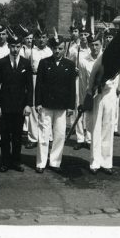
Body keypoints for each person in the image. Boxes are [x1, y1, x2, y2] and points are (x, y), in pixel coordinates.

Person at [34, 36, 76, 173]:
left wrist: (71, 105)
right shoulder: (44, 63)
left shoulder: (69, 65)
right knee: (44, 134)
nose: (57, 51)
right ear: (51, 48)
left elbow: (71, 87)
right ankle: (41, 162)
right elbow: (39, 84)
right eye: (55, 48)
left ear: (64, 50)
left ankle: (55, 162)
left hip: (62, 105)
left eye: (60, 49)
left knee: (59, 134)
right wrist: (38, 102)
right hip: (46, 104)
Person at [0, 32, 33, 172]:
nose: (15, 50)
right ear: (9, 46)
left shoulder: (26, 63)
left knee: (17, 136)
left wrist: (28, 104)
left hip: (20, 106)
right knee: (4, 135)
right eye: (12, 47)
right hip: (4, 105)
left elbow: (29, 87)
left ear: (21, 47)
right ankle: (5, 162)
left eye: (18, 47)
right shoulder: (1, 63)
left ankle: (16, 161)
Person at [83, 37, 117, 174]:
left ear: (101, 45)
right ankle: (95, 162)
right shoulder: (86, 60)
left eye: (97, 45)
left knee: (108, 127)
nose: (94, 48)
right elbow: (86, 80)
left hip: (109, 93)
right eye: (92, 45)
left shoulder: (111, 58)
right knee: (96, 127)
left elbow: (116, 77)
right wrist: (89, 94)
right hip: (95, 94)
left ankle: (106, 162)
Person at [26, 28, 52, 149]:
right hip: (34, 78)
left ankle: (48, 136)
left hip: (47, 81)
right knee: (33, 107)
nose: (41, 40)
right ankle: (32, 137)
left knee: (46, 107)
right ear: (36, 38)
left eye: (44, 37)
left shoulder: (50, 51)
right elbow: (27, 66)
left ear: (47, 38)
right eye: (39, 37)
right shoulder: (32, 51)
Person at [69, 24, 92, 149]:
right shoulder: (74, 50)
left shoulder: (92, 49)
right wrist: (74, 69)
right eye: (81, 35)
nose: (83, 37)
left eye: (86, 35)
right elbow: (68, 64)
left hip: (90, 82)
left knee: (89, 108)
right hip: (78, 81)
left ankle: (89, 138)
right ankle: (79, 138)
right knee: (79, 107)